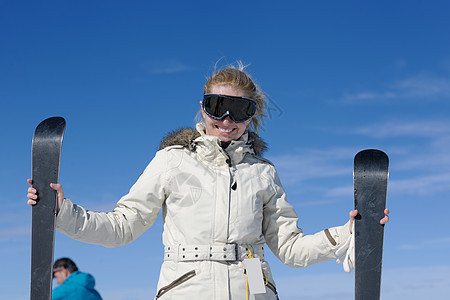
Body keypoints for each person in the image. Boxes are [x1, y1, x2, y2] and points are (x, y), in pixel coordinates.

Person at [27, 62, 389, 300]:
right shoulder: (172, 161)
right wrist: (61, 212)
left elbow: (292, 250)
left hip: (254, 290)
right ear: (203, 107)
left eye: (241, 110)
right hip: (187, 289)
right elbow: (122, 227)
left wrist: (350, 233)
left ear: (252, 116)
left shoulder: (263, 173)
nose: (228, 119)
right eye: (218, 106)